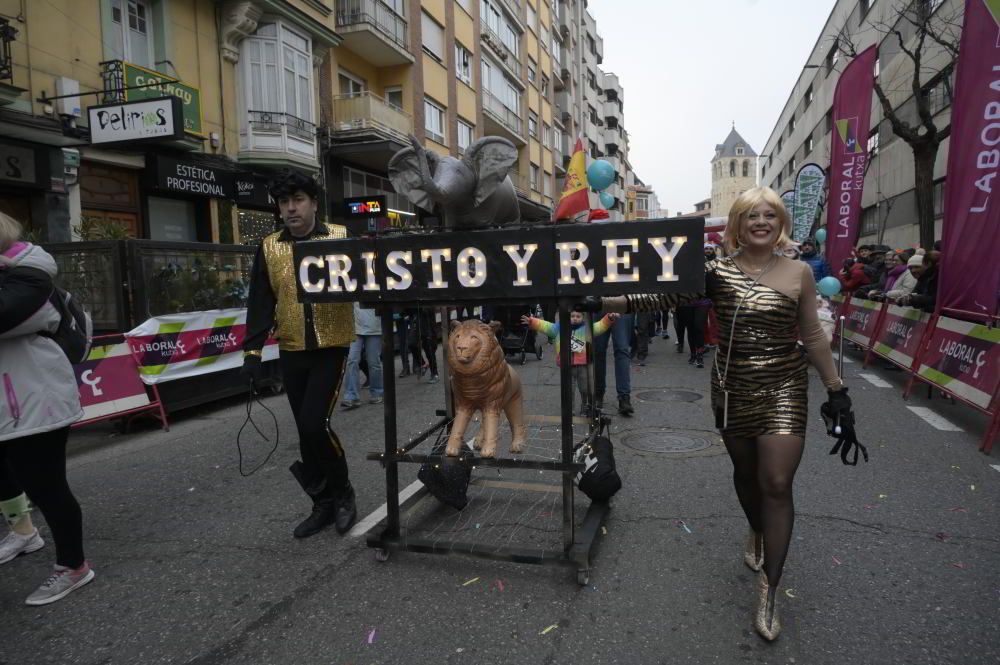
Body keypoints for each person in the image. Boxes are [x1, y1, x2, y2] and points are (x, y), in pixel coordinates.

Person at [585, 187, 854, 640]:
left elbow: (811, 333)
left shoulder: (800, 273)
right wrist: (607, 302)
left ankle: (770, 586)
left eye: (770, 214)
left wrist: (836, 389)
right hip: (732, 390)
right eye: (752, 215)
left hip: (785, 387)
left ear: (781, 221)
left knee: (776, 482)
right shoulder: (715, 270)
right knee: (747, 477)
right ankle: (755, 528)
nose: (761, 222)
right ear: (738, 224)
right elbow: (663, 299)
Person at [242, 170, 357, 538]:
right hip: (292, 349)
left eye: (298, 200)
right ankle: (321, 504)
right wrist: (253, 354)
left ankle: (343, 495)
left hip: (331, 347)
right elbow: (260, 301)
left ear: (313, 203)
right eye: (284, 202)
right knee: (306, 433)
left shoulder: (340, 237)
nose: (291, 209)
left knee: (314, 424)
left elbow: (365, 282)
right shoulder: (269, 246)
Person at [0, 212, 94, 605]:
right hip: (13, 402)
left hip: (35, 401)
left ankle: (73, 566)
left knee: (47, 486)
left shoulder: (29, 278)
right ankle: (23, 531)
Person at [522, 310, 618, 415]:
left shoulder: (587, 329)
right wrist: (532, 321)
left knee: (585, 389)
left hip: (583, 365)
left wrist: (609, 318)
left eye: (578, 316)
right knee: (569, 390)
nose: (575, 318)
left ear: (583, 317)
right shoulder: (559, 328)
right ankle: (570, 409)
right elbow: (545, 326)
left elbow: (599, 326)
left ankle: (585, 406)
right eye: (572, 316)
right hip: (567, 365)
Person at [341, 302, 384, 410]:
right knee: (352, 360)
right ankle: (351, 396)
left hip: (374, 327)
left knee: (374, 362)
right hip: (354, 327)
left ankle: (377, 392)